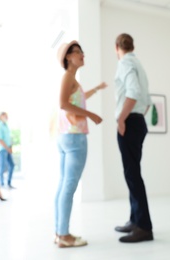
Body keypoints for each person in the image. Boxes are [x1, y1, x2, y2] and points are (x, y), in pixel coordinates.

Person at [54, 40, 107, 248]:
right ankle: (64, 235)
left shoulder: (72, 80)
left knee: (63, 186)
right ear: (68, 57)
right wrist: (91, 115)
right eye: (78, 52)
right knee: (68, 186)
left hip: (66, 136)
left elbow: (79, 98)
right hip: (74, 137)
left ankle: (59, 232)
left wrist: (97, 88)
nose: (83, 55)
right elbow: (63, 104)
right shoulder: (68, 77)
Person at [113, 33, 153, 243]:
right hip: (138, 122)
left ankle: (144, 227)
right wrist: (135, 117)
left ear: (116, 47)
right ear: (133, 45)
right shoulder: (139, 64)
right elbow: (147, 102)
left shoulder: (124, 63)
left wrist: (122, 118)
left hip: (129, 123)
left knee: (132, 174)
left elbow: (134, 92)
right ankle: (135, 220)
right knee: (132, 173)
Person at [0, 112, 15, 189]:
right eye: (5, 116)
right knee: (2, 166)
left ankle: (9, 183)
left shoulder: (6, 126)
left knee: (11, 165)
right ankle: (1, 183)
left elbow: (8, 138)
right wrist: (7, 148)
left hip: (8, 149)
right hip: (2, 149)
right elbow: (0, 139)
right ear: (1, 116)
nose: (6, 117)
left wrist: (10, 147)